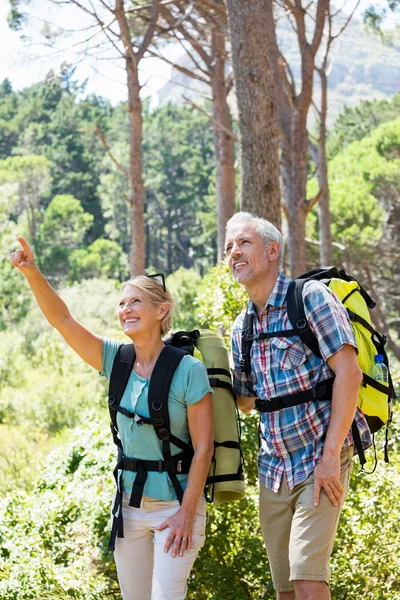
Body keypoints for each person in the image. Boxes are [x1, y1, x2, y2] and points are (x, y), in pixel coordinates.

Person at [10, 236, 214, 600]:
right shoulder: (114, 360)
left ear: (161, 310)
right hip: (130, 506)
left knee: (168, 595)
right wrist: (31, 271)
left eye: (136, 301)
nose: (126, 309)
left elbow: (203, 450)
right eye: (121, 303)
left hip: (178, 504)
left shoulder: (190, 370)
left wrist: (186, 514)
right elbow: (62, 319)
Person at [224, 212, 372, 600]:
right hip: (274, 469)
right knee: (285, 590)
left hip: (321, 458)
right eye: (229, 248)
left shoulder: (309, 299)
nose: (234, 252)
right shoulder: (243, 327)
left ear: (273, 250)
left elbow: (350, 374)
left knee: (308, 580)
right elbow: (244, 403)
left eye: (244, 243)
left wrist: (330, 456)